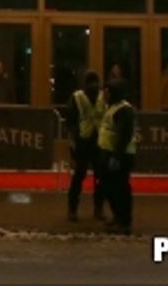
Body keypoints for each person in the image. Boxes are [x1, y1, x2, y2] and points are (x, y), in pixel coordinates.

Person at [65, 70, 107, 222]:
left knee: (97, 177)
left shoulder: (98, 96)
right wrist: (72, 142)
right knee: (82, 176)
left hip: (95, 140)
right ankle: (75, 209)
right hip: (86, 140)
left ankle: (95, 209)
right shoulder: (79, 97)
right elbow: (71, 120)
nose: (94, 86)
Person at [97, 77, 137, 234]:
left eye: (106, 91)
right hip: (109, 153)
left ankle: (124, 221)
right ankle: (117, 217)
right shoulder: (113, 107)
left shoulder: (123, 110)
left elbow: (124, 136)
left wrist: (116, 157)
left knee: (120, 189)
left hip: (120, 156)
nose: (104, 94)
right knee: (109, 188)